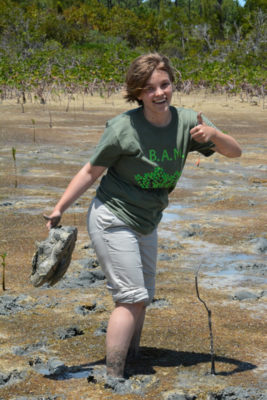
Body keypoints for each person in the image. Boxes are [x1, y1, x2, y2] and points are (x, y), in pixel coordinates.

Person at [44, 53, 242, 379]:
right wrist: (59, 207)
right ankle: (114, 375)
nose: (159, 93)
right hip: (113, 216)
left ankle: (132, 357)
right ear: (138, 93)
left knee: (143, 297)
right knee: (130, 298)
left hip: (147, 221)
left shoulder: (188, 121)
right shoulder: (123, 128)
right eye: (150, 88)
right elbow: (91, 170)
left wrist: (214, 137)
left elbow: (235, 151)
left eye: (165, 85)